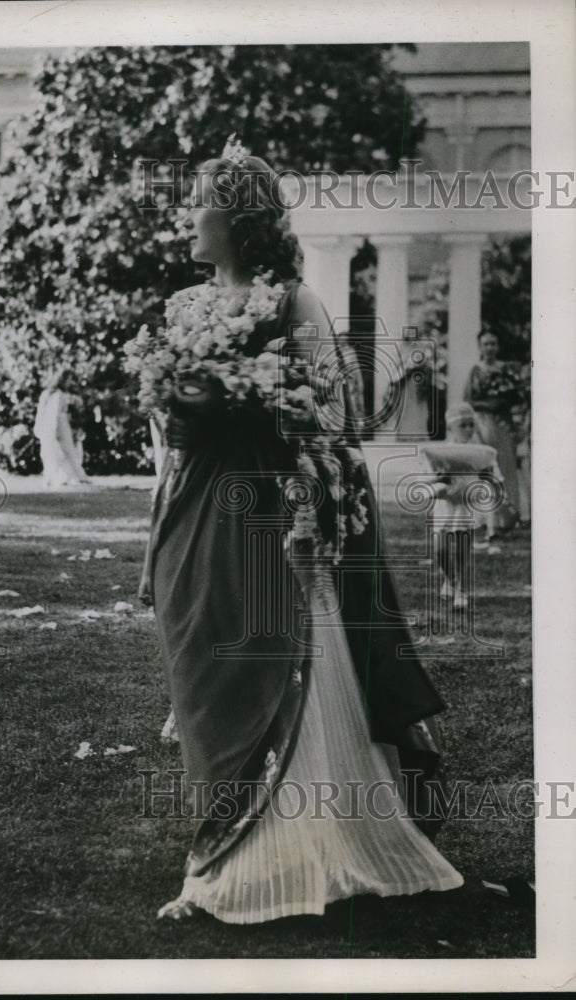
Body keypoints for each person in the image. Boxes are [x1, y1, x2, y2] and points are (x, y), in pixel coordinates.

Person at [139, 138, 463, 924]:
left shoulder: (295, 304)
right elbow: (165, 435)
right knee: (203, 673)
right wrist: (176, 408)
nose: (190, 218)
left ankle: (269, 859)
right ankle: (218, 844)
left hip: (272, 513)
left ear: (238, 220)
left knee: (261, 665)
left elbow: (333, 417)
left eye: (202, 205)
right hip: (195, 512)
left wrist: (257, 402)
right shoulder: (182, 308)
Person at [420, 402, 504, 616]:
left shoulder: (481, 453)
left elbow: (494, 478)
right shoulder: (438, 451)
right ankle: (449, 579)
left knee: (462, 549)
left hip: (466, 505)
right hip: (444, 504)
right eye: (463, 426)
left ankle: (461, 590)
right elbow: (425, 480)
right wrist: (439, 478)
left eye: (471, 425)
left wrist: (488, 480)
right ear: (450, 428)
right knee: (440, 549)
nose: (468, 429)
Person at [463, 330, 520, 531]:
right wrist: (489, 405)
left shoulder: (506, 370)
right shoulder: (475, 371)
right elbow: (468, 400)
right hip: (482, 422)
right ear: (480, 347)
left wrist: (503, 403)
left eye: (493, 343)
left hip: (502, 422)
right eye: (486, 344)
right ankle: (484, 518)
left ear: (498, 346)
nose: (490, 348)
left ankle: (508, 517)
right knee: (484, 469)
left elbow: (516, 397)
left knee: (505, 466)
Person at [33, 371, 91, 487]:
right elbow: (53, 413)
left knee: (55, 451)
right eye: (68, 380)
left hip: (52, 424)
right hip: (57, 424)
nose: (70, 383)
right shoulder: (57, 395)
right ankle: (63, 476)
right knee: (60, 451)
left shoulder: (50, 394)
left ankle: (65, 476)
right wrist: (55, 429)